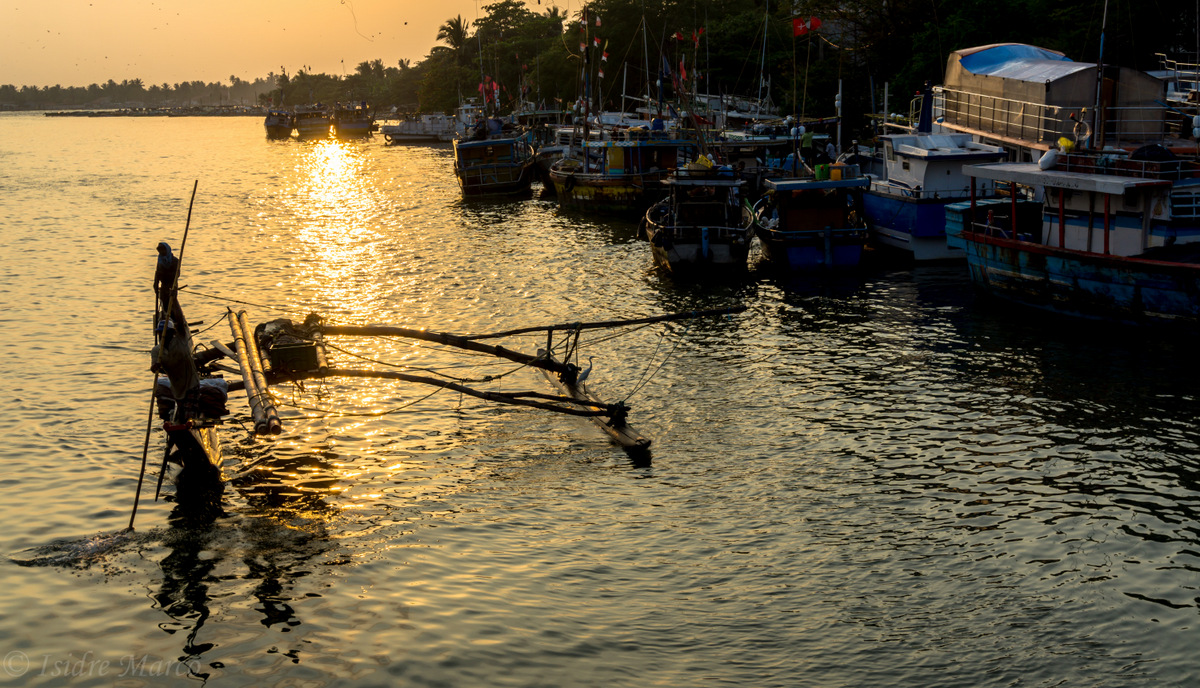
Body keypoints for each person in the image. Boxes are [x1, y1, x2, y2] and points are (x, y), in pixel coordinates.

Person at [154, 242, 178, 317]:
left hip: (172, 284)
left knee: (173, 304)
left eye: (163, 250)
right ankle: (166, 320)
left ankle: (176, 321)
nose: (161, 252)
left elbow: (177, 275)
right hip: (164, 285)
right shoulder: (160, 261)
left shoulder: (175, 261)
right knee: (164, 304)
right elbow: (157, 273)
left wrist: (173, 288)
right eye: (160, 251)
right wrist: (155, 284)